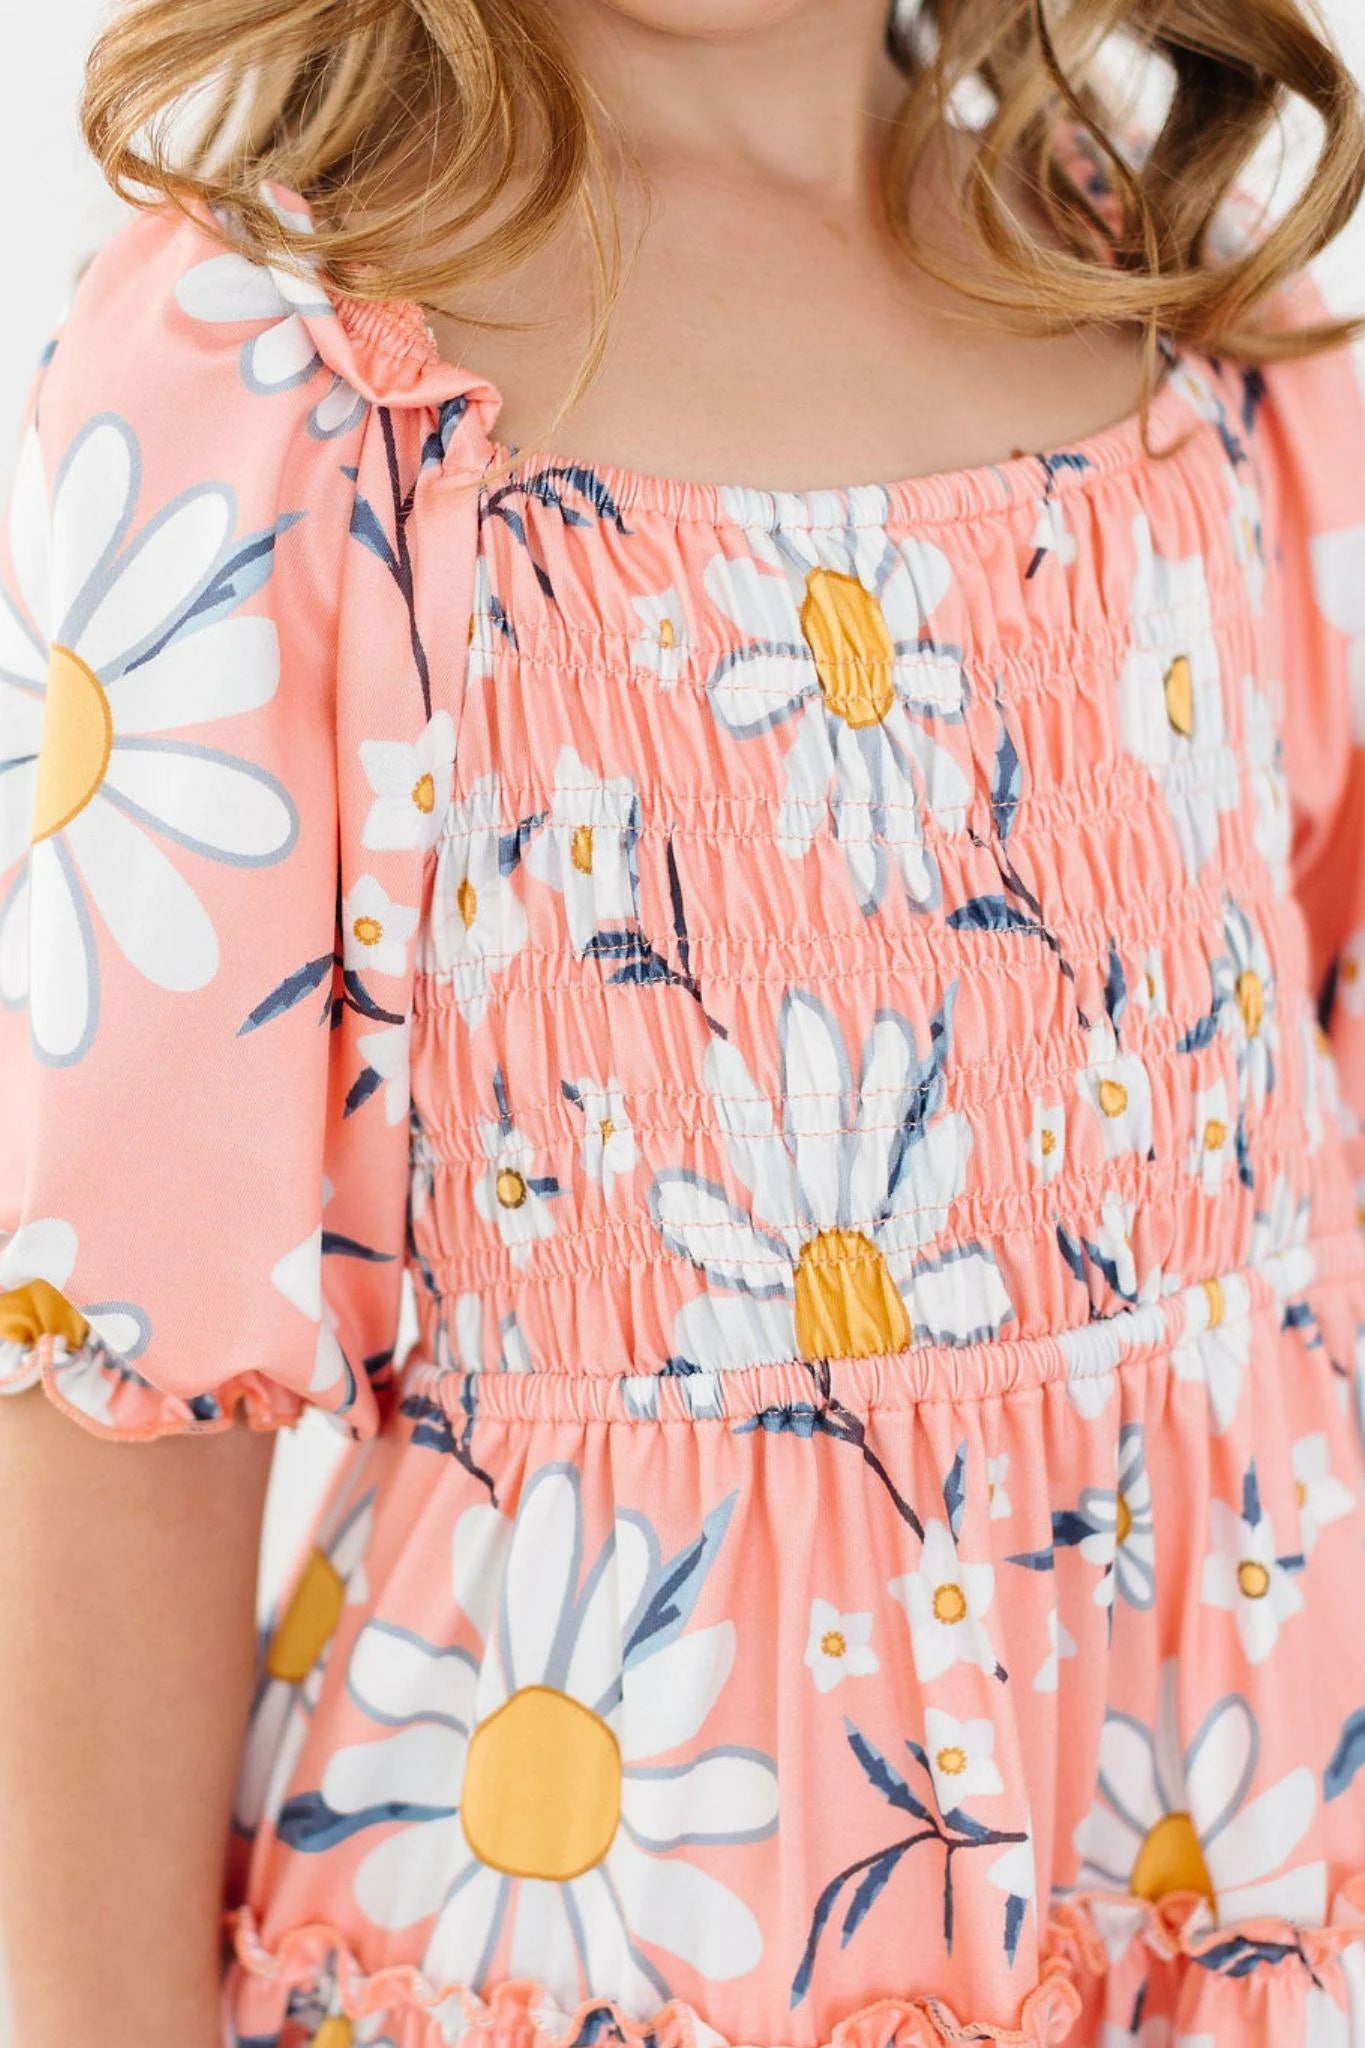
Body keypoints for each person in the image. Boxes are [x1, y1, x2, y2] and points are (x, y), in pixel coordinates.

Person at [3, 1, 1365, 2043]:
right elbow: (121, 1380)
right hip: (593, 1940)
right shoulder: (282, 376)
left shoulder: (1180, 296)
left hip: (1179, 1874)